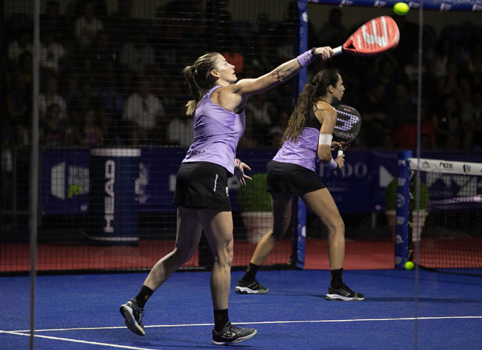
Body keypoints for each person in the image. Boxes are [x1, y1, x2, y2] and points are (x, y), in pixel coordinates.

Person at [119, 47, 334, 344]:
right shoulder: (233, 90)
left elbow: (211, 139)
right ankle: (222, 328)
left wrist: (230, 161)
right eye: (225, 63)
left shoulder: (204, 101)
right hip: (208, 174)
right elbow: (277, 76)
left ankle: (136, 303)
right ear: (214, 74)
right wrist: (310, 55)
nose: (233, 65)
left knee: (182, 251)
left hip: (189, 170)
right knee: (224, 255)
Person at [234, 68, 364, 302]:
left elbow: (309, 141)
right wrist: (336, 163)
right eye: (341, 84)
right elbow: (323, 156)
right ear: (331, 88)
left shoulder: (305, 107)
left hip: (276, 168)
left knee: (278, 229)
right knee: (337, 225)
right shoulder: (330, 111)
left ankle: (247, 280)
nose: (344, 88)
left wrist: (329, 143)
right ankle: (336, 286)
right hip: (298, 171)